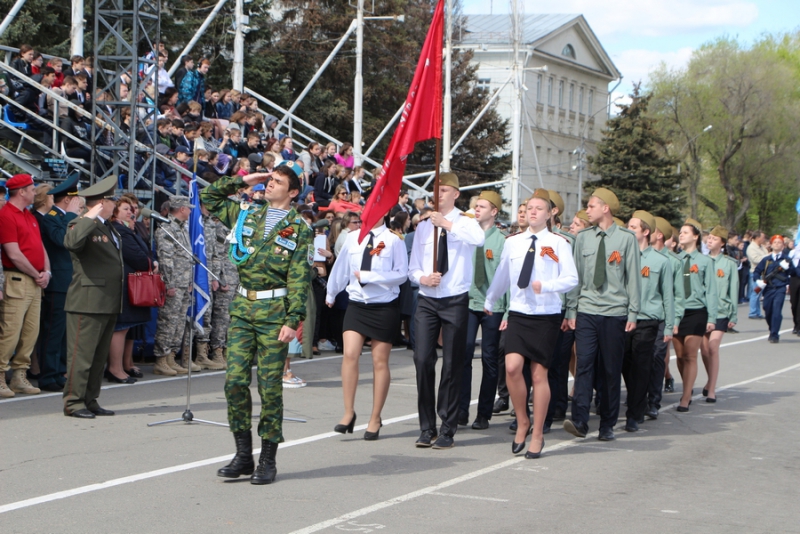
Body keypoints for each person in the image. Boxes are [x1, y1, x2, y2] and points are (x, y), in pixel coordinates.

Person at [202, 164, 313, 485]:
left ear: (293, 192)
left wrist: (293, 320)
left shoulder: (299, 229)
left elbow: (298, 278)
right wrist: (243, 181)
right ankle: (242, 454)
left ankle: (267, 459)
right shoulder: (246, 214)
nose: (270, 184)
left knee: (269, 387)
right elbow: (208, 197)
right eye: (269, 180)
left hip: (274, 312)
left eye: (277, 182)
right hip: (242, 308)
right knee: (234, 381)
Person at [408, 172, 485, 449]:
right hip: (428, 298)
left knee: (452, 363)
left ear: (455, 194)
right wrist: (422, 278)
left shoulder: (465, 222)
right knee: (423, 360)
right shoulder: (424, 226)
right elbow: (413, 266)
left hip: (454, 299)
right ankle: (426, 426)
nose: (437, 195)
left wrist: (449, 225)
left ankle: (447, 427)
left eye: (443, 191)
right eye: (434, 191)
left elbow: (478, 239)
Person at [564, 188, 640, 441]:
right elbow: (575, 278)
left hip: (615, 312)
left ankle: (607, 423)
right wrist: (571, 309)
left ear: (605, 208)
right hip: (586, 311)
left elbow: (632, 279)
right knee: (584, 365)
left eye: (592, 205)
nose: (587, 209)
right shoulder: (583, 238)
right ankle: (580, 421)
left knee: (610, 369)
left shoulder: (627, 239)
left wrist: (632, 312)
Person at [325, 214, 408, 440]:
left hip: (383, 306)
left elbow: (401, 274)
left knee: (379, 362)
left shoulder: (394, 240)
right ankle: (348, 412)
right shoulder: (353, 238)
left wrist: (370, 276)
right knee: (350, 354)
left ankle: (375, 417)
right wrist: (332, 292)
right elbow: (342, 267)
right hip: (357, 304)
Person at [62, 176, 124, 418]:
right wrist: (90, 215)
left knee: (98, 358)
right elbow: (72, 243)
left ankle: (90, 399)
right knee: (82, 356)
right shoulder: (80, 224)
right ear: (101, 203)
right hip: (87, 301)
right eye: (112, 200)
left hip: (107, 300)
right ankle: (73, 402)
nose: (116, 204)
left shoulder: (107, 227)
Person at [458, 191, 507, 430]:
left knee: (489, 358)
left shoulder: (503, 240)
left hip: (492, 306)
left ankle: (484, 413)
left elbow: (506, 279)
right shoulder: (467, 237)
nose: (477, 209)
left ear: (494, 211)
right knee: (463, 355)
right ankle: (461, 410)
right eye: (476, 206)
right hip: (468, 302)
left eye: (483, 206)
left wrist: (506, 312)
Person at [622, 211, 674, 432]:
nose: (629, 230)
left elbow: (668, 295)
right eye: (628, 226)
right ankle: (636, 401)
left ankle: (634, 413)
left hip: (647, 320)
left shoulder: (660, 261)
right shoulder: (621, 255)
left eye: (633, 227)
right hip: (622, 318)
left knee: (641, 366)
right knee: (624, 364)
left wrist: (669, 326)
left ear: (645, 232)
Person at [0, 174, 50, 398]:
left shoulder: (28, 215)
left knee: (30, 332)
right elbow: (13, 253)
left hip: (33, 279)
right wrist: (37, 273)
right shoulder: (6, 215)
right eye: (31, 189)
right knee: (10, 331)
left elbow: (40, 247)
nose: (34, 193)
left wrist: (46, 272)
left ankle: (20, 374)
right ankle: (1, 375)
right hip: (18, 279)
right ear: (21, 191)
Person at [37, 174, 82, 392]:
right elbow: (61, 240)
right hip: (58, 282)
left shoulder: (64, 216)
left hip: (71, 281)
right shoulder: (52, 217)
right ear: (68, 200)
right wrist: (71, 216)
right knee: (53, 332)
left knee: (65, 333)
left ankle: (60, 371)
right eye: (75, 200)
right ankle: (48, 375)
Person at [672, 219, 718, 412]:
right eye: (680, 232)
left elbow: (712, 291)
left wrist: (712, 318)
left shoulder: (705, 261)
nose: (681, 235)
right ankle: (687, 387)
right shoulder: (674, 260)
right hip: (676, 311)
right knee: (681, 356)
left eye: (685, 232)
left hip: (696, 311)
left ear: (695, 236)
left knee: (691, 355)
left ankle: (686, 395)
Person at [107, 198, 154, 383]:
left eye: (132, 209)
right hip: (124, 283)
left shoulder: (127, 230)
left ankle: (120, 367)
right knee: (120, 328)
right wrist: (151, 263)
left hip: (129, 282)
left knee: (125, 329)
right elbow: (138, 257)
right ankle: (115, 368)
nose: (131, 212)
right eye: (126, 209)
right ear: (115, 213)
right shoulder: (120, 231)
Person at [645, 217, 685, 419]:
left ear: (659, 234)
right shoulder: (638, 255)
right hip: (641, 316)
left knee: (657, 357)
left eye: (651, 229)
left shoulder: (673, 261)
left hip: (661, 317)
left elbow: (677, 295)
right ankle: (639, 395)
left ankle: (653, 400)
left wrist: (673, 322)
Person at [153, 196, 196, 376]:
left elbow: (186, 257)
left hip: (184, 282)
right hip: (174, 282)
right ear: (181, 209)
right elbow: (166, 259)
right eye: (188, 208)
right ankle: (161, 359)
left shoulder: (182, 228)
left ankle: (171, 356)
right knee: (168, 321)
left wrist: (189, 281)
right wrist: (169, 283)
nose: (191, 211)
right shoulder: (167, 229)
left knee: (179, 322)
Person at [700, 226, 739, 402]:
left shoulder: (729, 264)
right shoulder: (700, 261)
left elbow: (734, 290)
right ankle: (710, 381)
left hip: (721, 311)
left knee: (713, 347)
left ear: (722, 243)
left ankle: (712, 388)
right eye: (709, 238)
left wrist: (734, 315)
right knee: (704, 349)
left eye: (715, 239)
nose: (710, 241)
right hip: (702, 311)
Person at [753, 235, 795, 343]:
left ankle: (774, 334)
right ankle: (772, 328)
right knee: (768, 310)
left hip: (780, 288)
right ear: (771, 245)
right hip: (768, 288)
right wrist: (758, 281)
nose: (777, 244)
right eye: (775, 242)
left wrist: (788, 267)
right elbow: (757, 271)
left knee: (777, 311)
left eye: (779, 242)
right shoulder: (766, 259)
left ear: (783, 245)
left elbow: (794, 273)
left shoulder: (786, 259)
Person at [746, 231, 768, 319]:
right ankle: (752, 312)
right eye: (762, 237)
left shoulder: (762, 247)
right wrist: (767, 257)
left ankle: (757, 312)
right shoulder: (751, 248)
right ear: (757, 237)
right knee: (755, 292)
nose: (764, 239)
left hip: (763, 273)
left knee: (759, 293)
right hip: (755, 272)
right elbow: (755, 259)